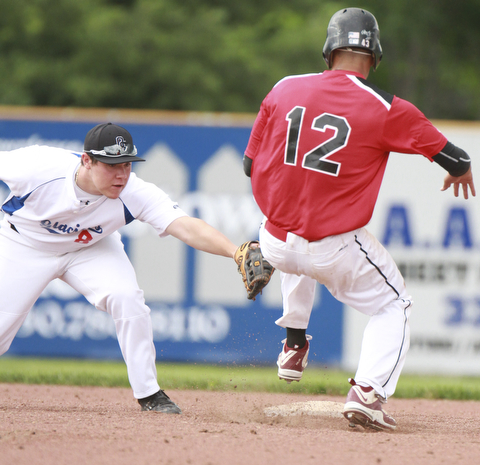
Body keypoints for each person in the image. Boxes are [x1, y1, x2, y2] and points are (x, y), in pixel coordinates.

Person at [242, 7, 475, 431]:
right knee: (395, 304)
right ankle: (368, 393)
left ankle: (293, 343)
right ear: (376, 57)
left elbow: (248, 165)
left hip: (275, 241)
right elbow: (455, 157)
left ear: (329, 51)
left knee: (291, 225)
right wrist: (460, 170)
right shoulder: (387, 107)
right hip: (333, 249)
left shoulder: (283, 88)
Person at [0, 122, 241, 414]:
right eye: (112, 165)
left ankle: (150, 394)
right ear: (86, 160)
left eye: (127, 164)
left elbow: (186, 227)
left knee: (127, 298)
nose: (121, 174)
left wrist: (235, 251)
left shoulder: (134, 190)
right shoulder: (38, 167)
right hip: (24, 245)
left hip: (90, 248)